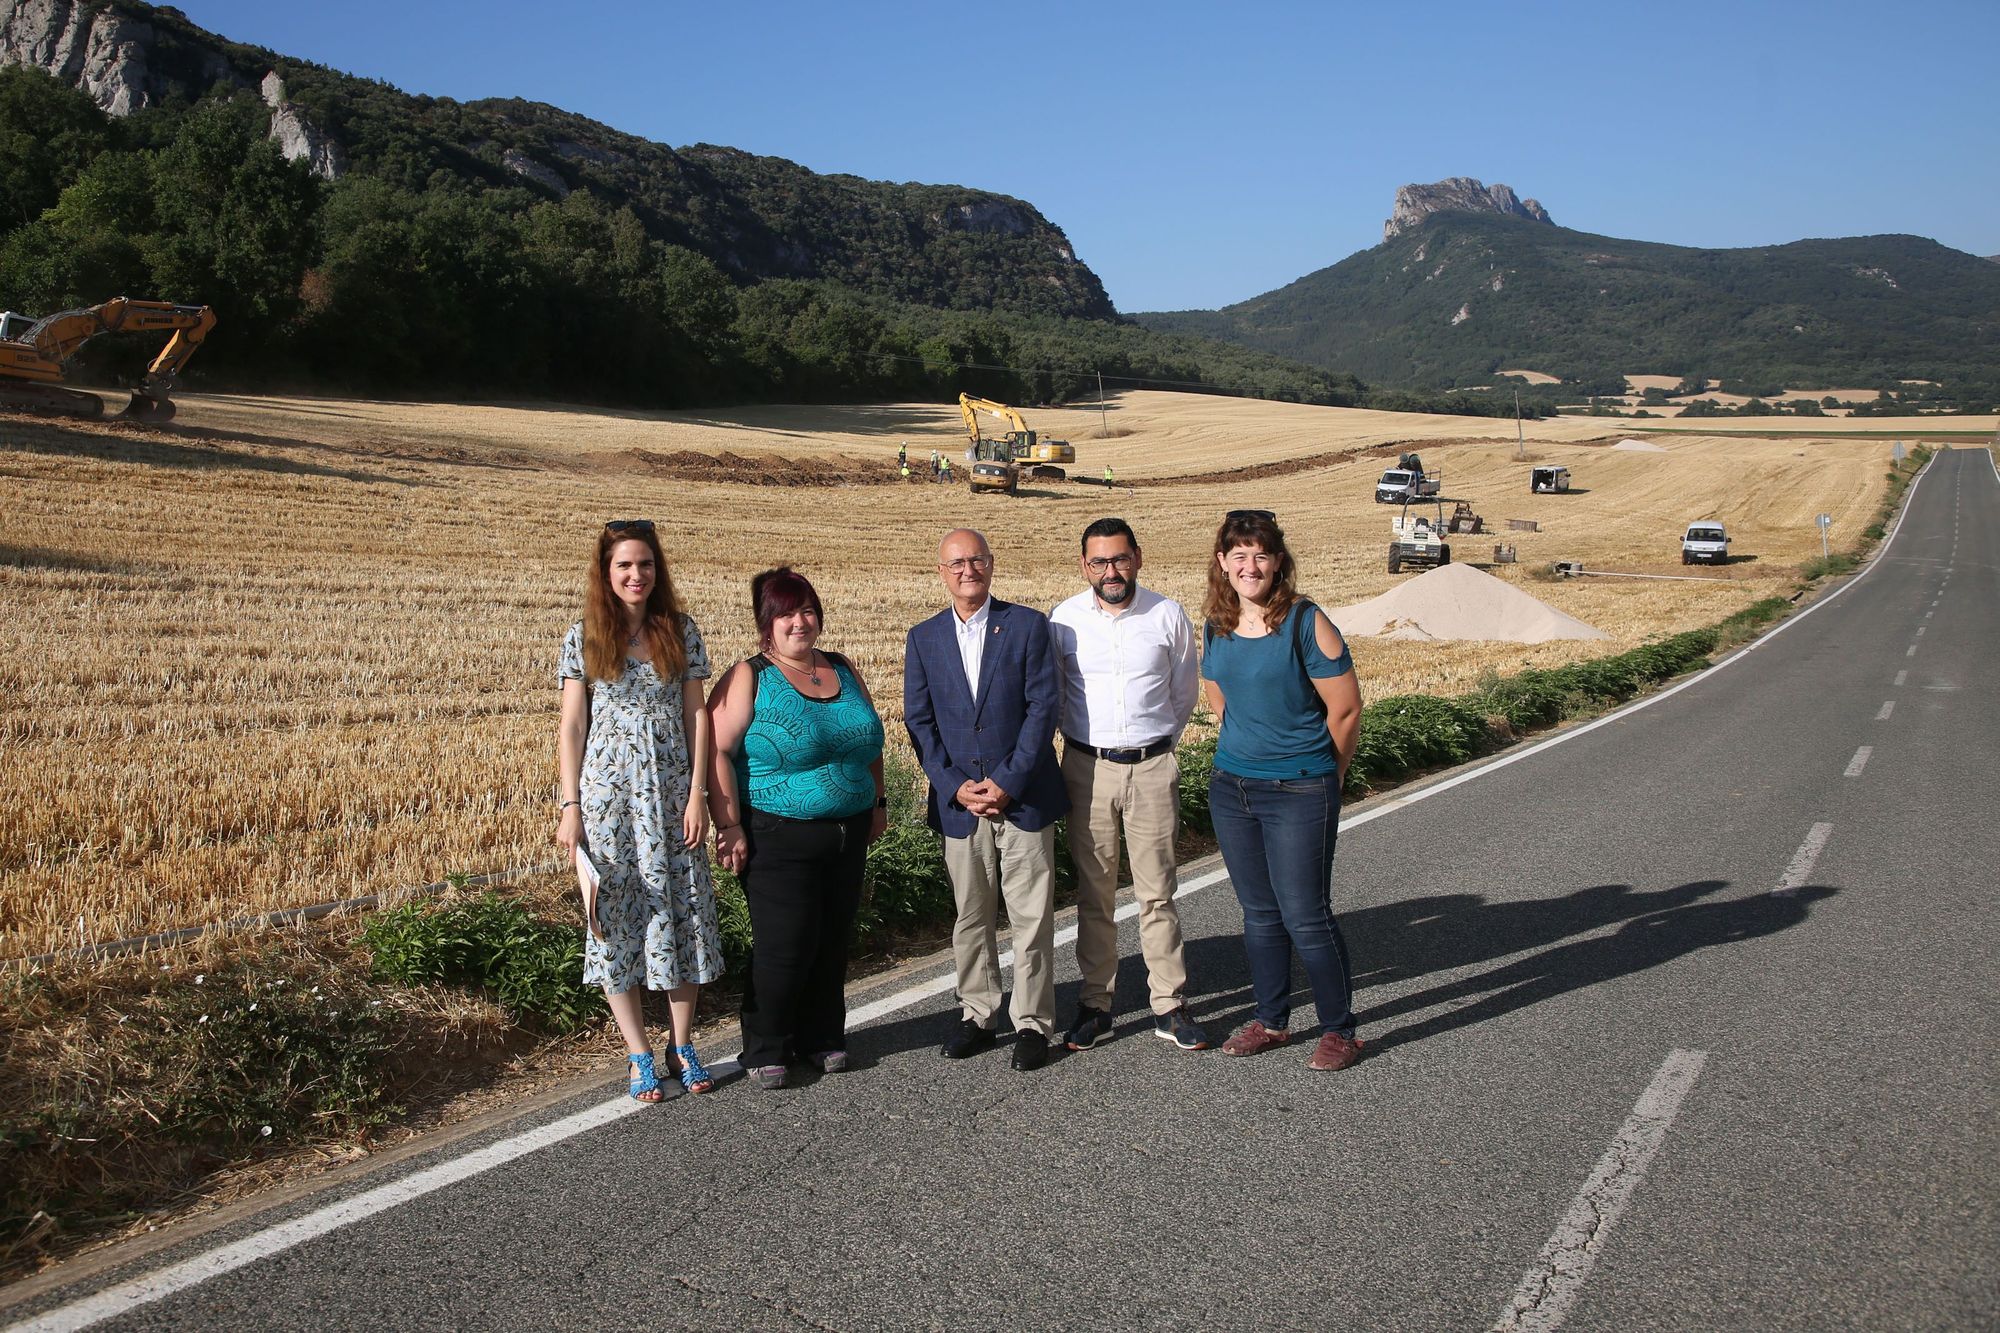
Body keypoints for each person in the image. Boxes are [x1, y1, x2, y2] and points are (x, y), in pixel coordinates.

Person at [556, 520, 725, 1099]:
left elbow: (697, 715)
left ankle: (683, 1045)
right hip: (609, 801)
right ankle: (638, 1055)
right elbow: (573, 724)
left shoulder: (681, 630)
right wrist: (570, 804)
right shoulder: (583, 637)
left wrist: (699, 791)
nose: (636, 575)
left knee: (684, 908)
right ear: (606, 572)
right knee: (616, 916)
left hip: (674, 794)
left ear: (658, 570)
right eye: (625, 565)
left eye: (646, 564)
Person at [708, 568, 888, 1091]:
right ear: (766, 623)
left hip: (848, 830)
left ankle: (823, 1036)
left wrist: (877, 802)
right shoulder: (751, 676)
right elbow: (717, 749)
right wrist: (730, 824)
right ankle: (765, 1044)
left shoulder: (843, 668)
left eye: (807, 609)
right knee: (784, 944)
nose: (799, 622)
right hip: (776, 832)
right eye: (786, 613)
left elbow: (868, 741)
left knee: (832, 939)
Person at [1199, 509, 1366, 1071]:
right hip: (1232, 788)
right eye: (1239, 556)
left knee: (1306, 915)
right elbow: (1218, 693)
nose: (1250, 566)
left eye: (1261, 555)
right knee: (1259, 914)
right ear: (1223, 562)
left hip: (1299, 789)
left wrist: (1326, 777)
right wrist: (1244, 743)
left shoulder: (1304, 621)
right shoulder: (1215, 624)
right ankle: (1272, 1023)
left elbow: (1345, 710)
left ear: (1277, 562)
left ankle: (1340, 1030)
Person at [904, 529, 1068, 1071]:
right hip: (960, 805)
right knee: (971, 916)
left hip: (1021, 798)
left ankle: (1032, 1023)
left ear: (991, 565)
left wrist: (1008, 780)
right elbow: (920, 722)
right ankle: (978, 1013)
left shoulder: (1026, 626)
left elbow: (1043, 707)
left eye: (975, 560)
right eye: (956, 562)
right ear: (941, 572)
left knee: (1030, 917)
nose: (966, 569)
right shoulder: (922, 638)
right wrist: (954, 784)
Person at [1049, 518, 1206, 1052]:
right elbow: (1056, 694)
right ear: (1084, 566)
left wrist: (1152, 745)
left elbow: (1184, 694)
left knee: (1157, 892)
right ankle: (1097, 1005)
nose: (1110, 571)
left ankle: (1169, 1004)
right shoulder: (1064, 620)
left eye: (1119, 559)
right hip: (1086, 769)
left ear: (1137, 558)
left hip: (1153, 767)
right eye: (1099, 562)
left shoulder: (1167, 615)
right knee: (1094, 894)